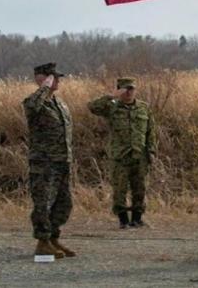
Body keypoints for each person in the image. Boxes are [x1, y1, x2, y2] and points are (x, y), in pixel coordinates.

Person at [88, 77, 157, 228]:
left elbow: (151, 131)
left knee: (139, 189)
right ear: (119, 90)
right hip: (120, 156)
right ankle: (123, 220)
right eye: (125, 89)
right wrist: (112, 96)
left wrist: (151, 151)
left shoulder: (143, 108)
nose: (128, 92)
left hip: (140, 155)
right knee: (120, 190)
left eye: (131, 89)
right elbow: (92, 107)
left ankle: (137, 219)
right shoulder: (112, 107)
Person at [23, 62, 75, 258]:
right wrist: (44, 87)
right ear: (41, 78)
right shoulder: (34, 102)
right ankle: (42, 243)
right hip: (43, 163)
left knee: (63, 203)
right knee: (43, 203)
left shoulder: (58, 103)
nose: (57, 80)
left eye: (57, 77)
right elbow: (31, 106)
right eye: (52, 77)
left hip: (62, 161)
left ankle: (53, 238)